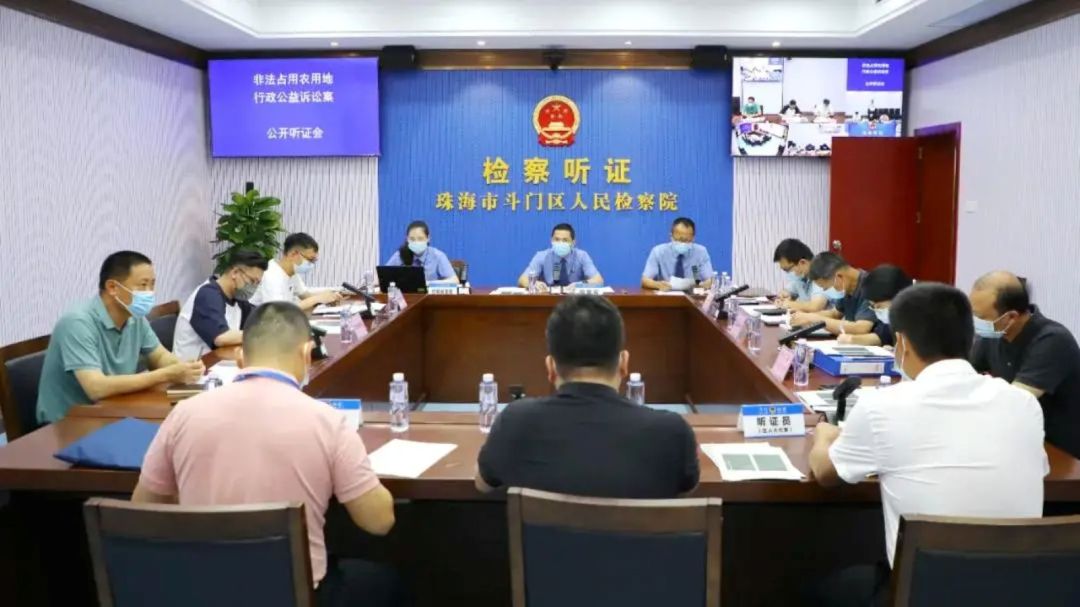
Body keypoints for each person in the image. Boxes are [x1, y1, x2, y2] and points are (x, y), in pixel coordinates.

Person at [133, 302, 402, 606]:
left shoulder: (183, 414)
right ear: (306, 353)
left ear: (239, 358)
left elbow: (143, 509)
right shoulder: (327, 421)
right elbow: (379, 521)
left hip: (201, 590)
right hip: (295, 593)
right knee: (384, 582)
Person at [809, 283, 1047, 607]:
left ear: (902, 343)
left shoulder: (881, 406)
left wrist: (824, 435)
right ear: (971, 338)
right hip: (1019, 591)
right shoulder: (1023, 403)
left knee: (820, 588)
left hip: (923, 593)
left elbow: (826, 473)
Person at [476, 295, 699, 498]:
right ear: (624, 364)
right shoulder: (672, 432)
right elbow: (686, 492)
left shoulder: (515, 422)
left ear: (550, 367)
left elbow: (482, 484)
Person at [36, 252, 205, 424]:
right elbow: (96, 388)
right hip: (70, 422)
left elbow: (159, 356)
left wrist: (182, 367)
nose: (149, 293)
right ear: (112, 287)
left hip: (115, 408)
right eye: (143, 285)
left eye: (152, 285)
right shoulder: (77, 322)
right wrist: (166, 374)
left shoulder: (134, 317)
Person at [969, 271, 1080, 459]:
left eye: (980, 317)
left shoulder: (1052, 340)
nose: (975, 323)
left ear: (1011, 317)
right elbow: (963, 372)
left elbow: (1014, 403)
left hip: (1059, 451)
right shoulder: (993, 333)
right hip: (1020, 440)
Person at [172, 249, 267, 361]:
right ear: (235, 273)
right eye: (252, 281)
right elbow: (221, 338)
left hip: (219, 363)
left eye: (257, 283)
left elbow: (258, 320)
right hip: (193, 367)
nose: (253, 287)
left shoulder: (238, 298)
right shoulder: (207, 295)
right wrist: (262, 334)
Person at [251, 232, 342, 312]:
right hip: (259, 322)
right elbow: (279, 311)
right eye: (310, 260)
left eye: (314, 261)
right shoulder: (272, 274)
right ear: (293, 254)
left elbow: (305, 295)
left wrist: (328, 296)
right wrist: (317, 299)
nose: (311, 264)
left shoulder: (292, 273)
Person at [790, 252, 875, 336]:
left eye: (826, 288)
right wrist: (806, 317)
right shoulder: (847, 286)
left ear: (839, 277)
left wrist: (814, 319)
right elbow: (835, 314)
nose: (825, 291)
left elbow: (861, 328)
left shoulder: (871, 285)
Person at [837, 264, 912, 347]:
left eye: (879, 307)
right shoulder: (891, 321)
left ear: (898, 297)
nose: (877, 311)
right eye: (873, 307)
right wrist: (851, 339)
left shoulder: (918, 320)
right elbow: (881, 336)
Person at [518, 223, 603, 291]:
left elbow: (598, 280)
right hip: (548, 299)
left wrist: (579, 285)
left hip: (575, 301)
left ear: (573, 242)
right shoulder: (541, 256)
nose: (560, 243)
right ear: (551, 240)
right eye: (557, 239)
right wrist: (533, 283)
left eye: (565, 240)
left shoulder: (582, 256)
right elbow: (522, 279)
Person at [641, 217, 715, 291]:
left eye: (687, 240)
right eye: (679, 239)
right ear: (671, 236)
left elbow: (710, 280)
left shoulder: (700, 252)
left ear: (693, 238)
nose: (683, 243)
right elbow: (645, 280)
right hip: (666, 294)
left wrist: (704, 284)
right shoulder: (658, 251)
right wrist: (658, 285)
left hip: (692, 295)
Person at [385, 220, 459, 284]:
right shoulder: (400, 255)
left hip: (429, 295)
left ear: (428, 238)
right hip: (405, 295)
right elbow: (383, 275)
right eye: (412, 239)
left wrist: (428, 283)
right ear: (407, 239)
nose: (416, 242)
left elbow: (454, 281)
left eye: (420, 239)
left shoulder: (437, 256)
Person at [772, 238, 827, 312]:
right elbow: (787, 291)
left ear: (802, 262)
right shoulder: (802, 276)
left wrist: (788, 304)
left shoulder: (822, 273)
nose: (788, 273)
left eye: (788, 270)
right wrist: (783, 296)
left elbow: (815, 306)